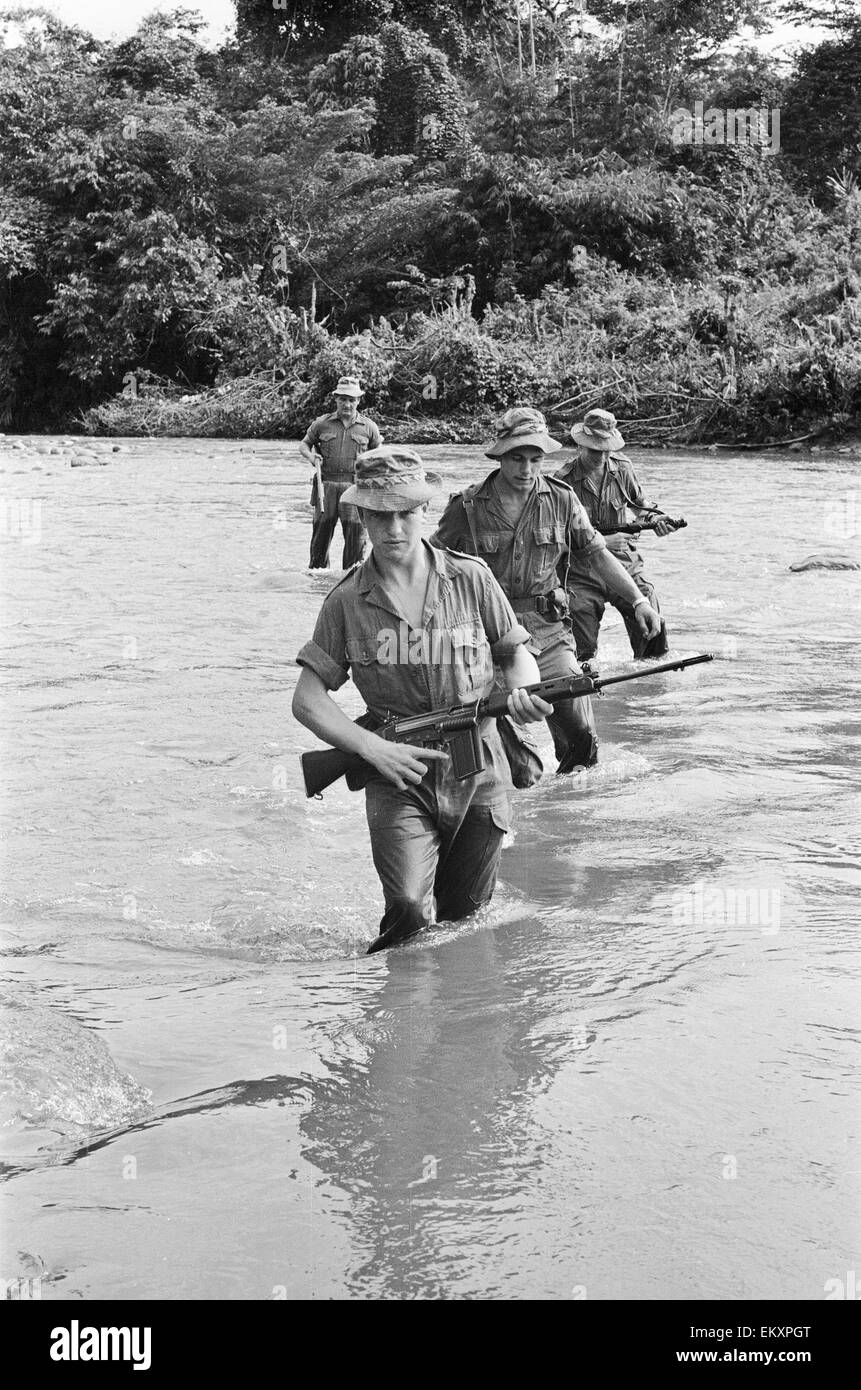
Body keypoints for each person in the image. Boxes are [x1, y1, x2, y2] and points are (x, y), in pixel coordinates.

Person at [292, 447, 553, 954]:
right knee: (409, 910)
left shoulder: (471, 577)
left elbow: (515, 654)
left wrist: (524, 691)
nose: (394, 529)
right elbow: (307, 700)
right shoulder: (346, 600)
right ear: (361, 516)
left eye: (406, 513)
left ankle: (458, 1019)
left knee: (467, 918)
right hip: (398, 774)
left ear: (424, 512)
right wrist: (371, 749)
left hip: (479, 764)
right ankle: (392, 1009)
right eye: (380, 516)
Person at [430, 408, 662, 773]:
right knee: (497, 749)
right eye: (517, 459)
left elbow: (597, 554)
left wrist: (638, 600)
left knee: (581, 735)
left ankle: (572, 812)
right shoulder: (468, 506)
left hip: (549, 633)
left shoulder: (562, 498)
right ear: (500, 456)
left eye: (535, 459)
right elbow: (431, 567)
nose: (526, 469)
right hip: (485, 639)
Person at [554, 409, 676, 661]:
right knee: (581, 651)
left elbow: (641, 509)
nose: (602, 456)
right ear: (580, 446)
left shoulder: (623, 470)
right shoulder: (562, 481)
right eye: (595, 450)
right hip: (581, 573)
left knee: (651, 622)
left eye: (606, 449)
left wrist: (655, 521)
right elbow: (554, 539)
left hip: (625, 564)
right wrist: (602, 541)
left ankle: (649, 682)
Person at [298, 376, 382, 570]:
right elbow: (304, 445)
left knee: (356, 540)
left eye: (351, 400)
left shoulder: (369, 427)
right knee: (320, 539)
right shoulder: (322, 423)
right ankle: (318, 580)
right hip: (325, 487)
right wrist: (311, 458)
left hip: (356, 489)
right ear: (335, 399)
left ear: (358, 401)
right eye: (343, 399)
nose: (347, 404)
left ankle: (351, 580)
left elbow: (380, 455)